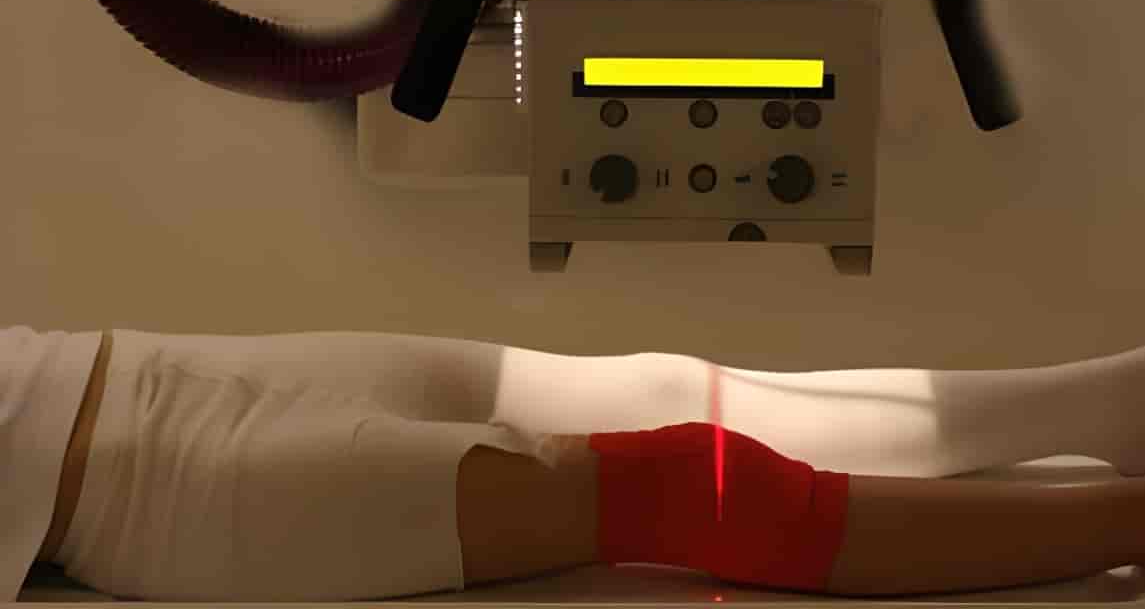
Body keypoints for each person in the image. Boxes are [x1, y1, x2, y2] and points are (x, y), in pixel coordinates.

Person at [3, 325, 1144, 602]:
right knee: (687, 487)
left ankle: (1119, 398)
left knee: (664, 386)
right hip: (157, 492)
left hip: (119, 362)